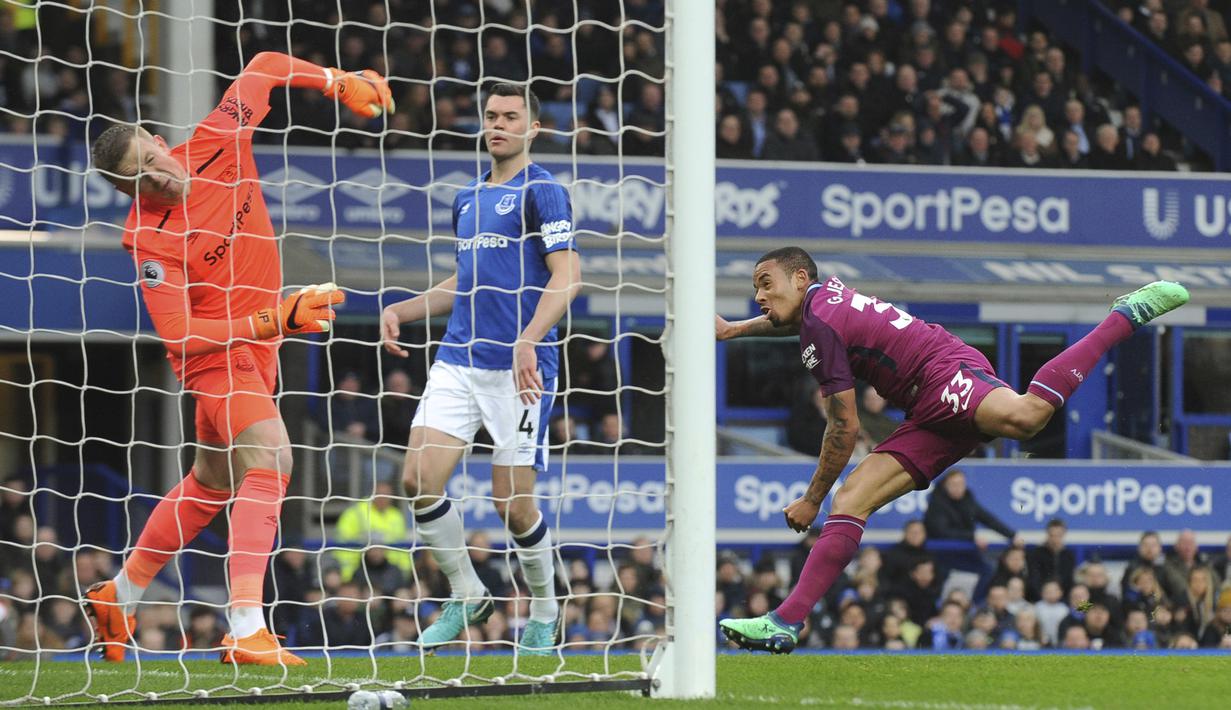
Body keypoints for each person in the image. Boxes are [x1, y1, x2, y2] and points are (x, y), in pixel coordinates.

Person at [716, 246, 1189, 653]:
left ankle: (1123, 317)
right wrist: (734, 330)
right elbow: (791, 320)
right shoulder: (820, 309)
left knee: (1026, 417)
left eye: (766, 283)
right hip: (925, 407)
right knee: (853, 498)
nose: (759, 296)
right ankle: (785, 622)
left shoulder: (819, 322)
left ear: (800, 278)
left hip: (943, 373)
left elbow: (844, 427)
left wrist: (811, 498)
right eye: (756, 288)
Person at [84, 52, 392, 665]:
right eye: (140, 179)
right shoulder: (148, 239)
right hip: (217, 358)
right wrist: (272, 319)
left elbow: (264, 67)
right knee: (273, 458)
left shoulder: (217, 138)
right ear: (123, 190)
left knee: (212, 482)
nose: (159, 178)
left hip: (261, 344)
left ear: (159, 142)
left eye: (154, 160)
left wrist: (337, 82)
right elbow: (179, 336)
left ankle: (121, 594)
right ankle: (247, 626)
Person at [380, 83, 580, 655]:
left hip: (522, 370)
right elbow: (464, 282)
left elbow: (568, 276)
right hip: (459, 358)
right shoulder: (466, 198)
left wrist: (528, 339)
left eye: (511, 117)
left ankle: (545, 612)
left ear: (532, 128)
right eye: (491, 115)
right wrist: (403, 309)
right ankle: (467, 592)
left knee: (512, 507)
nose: (498, 124)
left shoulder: (543, 192)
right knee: (417, 479)